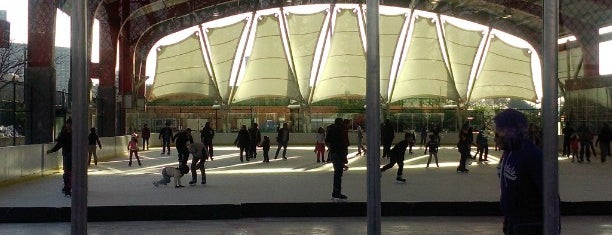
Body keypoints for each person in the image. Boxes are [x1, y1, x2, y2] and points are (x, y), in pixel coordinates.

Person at [494, 108, 546, 235]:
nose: (497, 135)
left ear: (516, 130)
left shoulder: (532, 155)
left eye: (501, 130)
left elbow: (549, 193)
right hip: (514, 221)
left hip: (530, 225)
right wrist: (508, 218)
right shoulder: (508, 151)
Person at [46, 118, 73, 197]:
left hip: (73, 156)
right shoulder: (64, 134)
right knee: (67, 172)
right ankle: (67, 187)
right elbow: (59, 144)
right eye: (69, 124)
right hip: (67, 155)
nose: (70, 126)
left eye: (71, 124)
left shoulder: (75, 134)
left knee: (70, 173)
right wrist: (52, 150)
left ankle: (68, 187)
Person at [326, 118, 349, 200]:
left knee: (338, 174)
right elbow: (344, 144)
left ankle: (337, 192)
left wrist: (331, 150)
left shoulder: (332, 130)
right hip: (338, 154)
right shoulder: (339, 131)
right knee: (338, 174)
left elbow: (327, 141)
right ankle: (336, 193)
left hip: (335, 153)